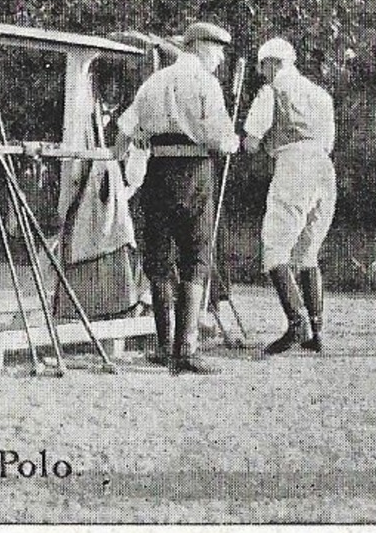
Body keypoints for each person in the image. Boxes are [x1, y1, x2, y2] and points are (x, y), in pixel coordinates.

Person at [114, 20, 239, 374]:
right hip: (194, 173)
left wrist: (123, 166)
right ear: (198, 46)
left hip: (157, 174)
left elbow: (123, 133)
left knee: (158, 256)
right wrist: (232, 143)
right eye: (216, 50)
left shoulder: (154, 82)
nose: (219, 58)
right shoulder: (206, 84)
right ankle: (185, 350)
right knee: (196, 255)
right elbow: (219, 137)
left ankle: (163, 346)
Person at [242, 37, 337, 355]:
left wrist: (254, 142)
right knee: (307, 251)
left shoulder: (271, 92)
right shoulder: (321, 95)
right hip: (324, 167)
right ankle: (316, 329)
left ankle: (297, 324)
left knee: (274, 248)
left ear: (270, 64)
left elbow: (251, 141)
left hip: (294, 166)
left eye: (262, 66)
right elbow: (328, 142)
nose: (261, 73)